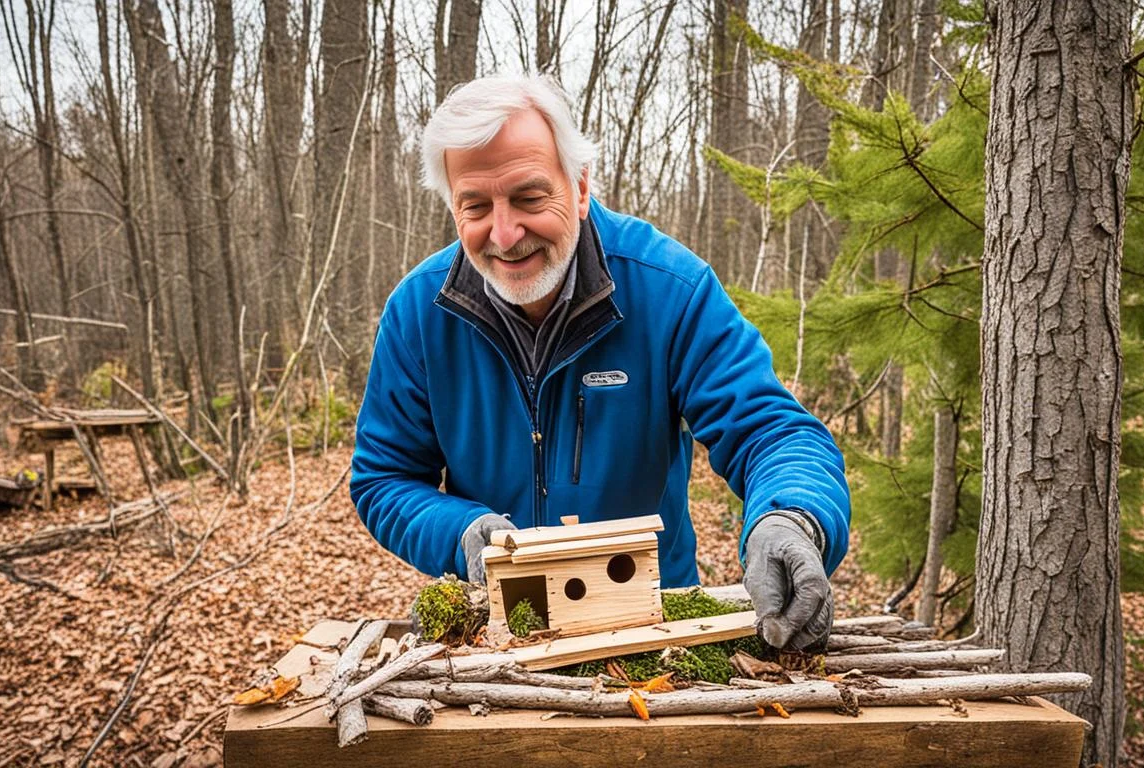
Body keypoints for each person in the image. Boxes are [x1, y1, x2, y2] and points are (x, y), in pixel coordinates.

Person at [350, 75, 850, 652]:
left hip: (655, 631)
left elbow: (770, 430)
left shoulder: (668, 289)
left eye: (529, 198)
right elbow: (384, 477)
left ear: (581, 185)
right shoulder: (419, 312)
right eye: (477, 206)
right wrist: (461, 532)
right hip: (497, 635)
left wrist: (789, 518)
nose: (505, 234)